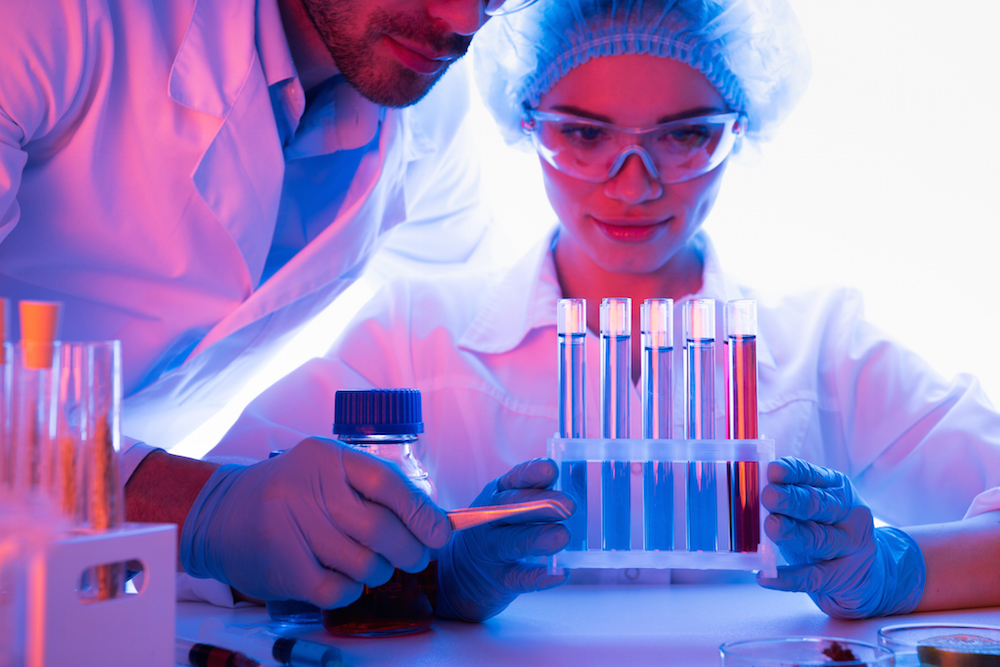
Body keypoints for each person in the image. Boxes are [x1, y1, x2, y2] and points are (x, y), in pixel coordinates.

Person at [211, 0, 1000, 619]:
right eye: (584, 135)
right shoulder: (413, 339)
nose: (633, 183)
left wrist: (901, 569)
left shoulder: (822, 347)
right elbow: (207, 539)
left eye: (686, 136)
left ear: (742, 128)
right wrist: (423, 580)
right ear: (526, 122)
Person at [0, 0, 574, 618]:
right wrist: (195, 505)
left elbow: (482, 340)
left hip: (76, 583)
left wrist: (416, 561)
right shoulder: (49, 19)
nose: (463, 21)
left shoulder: (431, 113)